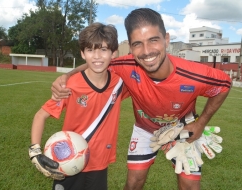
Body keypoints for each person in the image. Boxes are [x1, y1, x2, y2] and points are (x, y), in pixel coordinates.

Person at [51, 8, 231, 190]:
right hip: (145, 128)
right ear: (130, 47)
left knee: (190, 186)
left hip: (181, 127)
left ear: (166, 39)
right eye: (138, 44)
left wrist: (200, 124)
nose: (147, 51)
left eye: (153, 40)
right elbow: (96, 62)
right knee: (134, 182)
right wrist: (66, 77)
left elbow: (224, 85)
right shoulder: (125, 65)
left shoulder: (194, 74)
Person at [28, 22, 129, 190]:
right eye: (90, 50)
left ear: (114, 53)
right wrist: (35, 152)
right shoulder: (70, 85)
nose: (97, 56)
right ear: (83, 53)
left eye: (103, 49)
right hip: (68, 162)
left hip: (99, 164)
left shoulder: (119, 83)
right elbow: (41, 115)